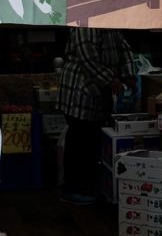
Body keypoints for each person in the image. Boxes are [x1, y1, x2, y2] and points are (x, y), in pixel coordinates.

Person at [57, 27, 134, 205]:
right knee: (79, 138)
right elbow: (88, 59)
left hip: (99, 91)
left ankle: (88, 185)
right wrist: (112, 80)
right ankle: (71, 188)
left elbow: (125, 48)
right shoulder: (85, 23)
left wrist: (129, 74)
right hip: (79, 88)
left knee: (92, 140)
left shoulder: (110, 24)